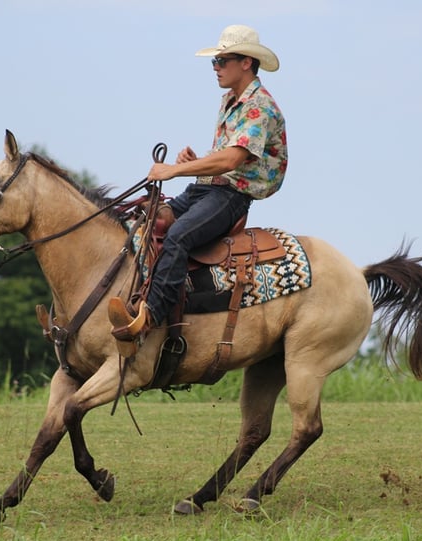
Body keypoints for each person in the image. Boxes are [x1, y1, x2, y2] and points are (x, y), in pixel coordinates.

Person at [108, 24, 288, 351]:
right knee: (146, 220)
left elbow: (231, 161)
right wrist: (197, 162)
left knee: (178, 236)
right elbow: (223, 157)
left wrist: (176, 170)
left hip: (231, 196)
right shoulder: (230, 101)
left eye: (222, 61)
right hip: (208, 189)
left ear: (246, 62)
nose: (216, 68)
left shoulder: (258, 106)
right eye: (214, 62)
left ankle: (152, 318)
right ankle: (133, 295)